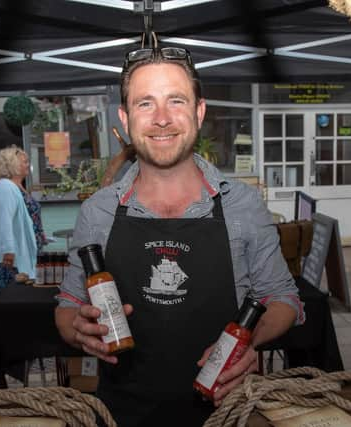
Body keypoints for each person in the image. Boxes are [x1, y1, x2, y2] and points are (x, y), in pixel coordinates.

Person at [55, 45, 304, 427]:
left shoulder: (242, 205)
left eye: (176, 100)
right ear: (124, 118)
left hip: (227, 415)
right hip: (122, 416)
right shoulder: (98, 211)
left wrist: (247, 342)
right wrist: (79, 329)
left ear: (199, 112)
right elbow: (68, 305)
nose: (162, 119)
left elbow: (283, 299)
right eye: (145, 104)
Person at [0, 145, 44, 295]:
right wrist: (8, 251)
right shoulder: (5, 187)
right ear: (12, 165)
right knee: (10, 296)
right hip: (12, 258)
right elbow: (4, 221)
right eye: (24, 162)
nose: (28, 164)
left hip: (24, 252)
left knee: (22, 296)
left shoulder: (17, 186)